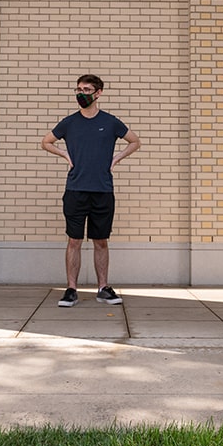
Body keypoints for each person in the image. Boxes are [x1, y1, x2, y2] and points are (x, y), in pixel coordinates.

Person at [41, 74, 141, 307]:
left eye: (86, 90)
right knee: (74, 240)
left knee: (101, 241)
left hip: (103, 190)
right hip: (76, 190)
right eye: (78, 89)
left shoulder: (111, 122)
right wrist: (64, 154)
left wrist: (117, 158)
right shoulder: (69, 123)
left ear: (98, 93)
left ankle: (103, 288)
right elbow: (46, 141)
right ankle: (71, 290)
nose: (81, 94)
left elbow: (135, 141)